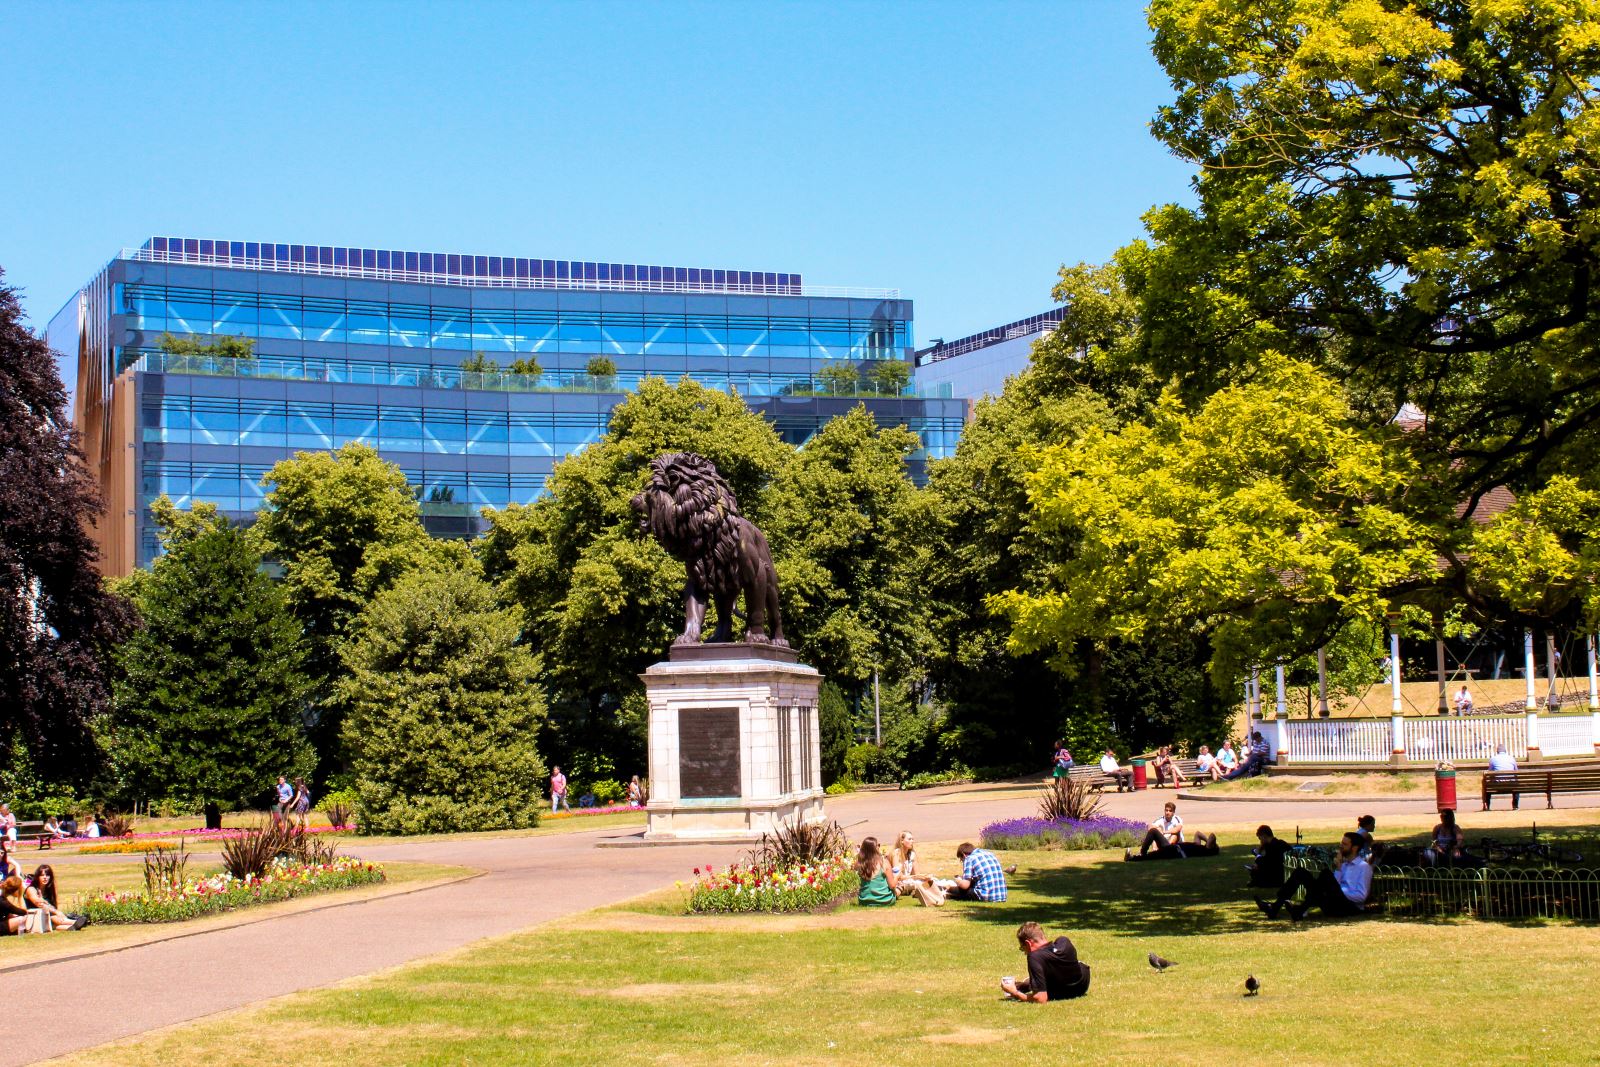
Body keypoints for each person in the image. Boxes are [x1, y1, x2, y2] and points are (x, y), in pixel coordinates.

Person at [1258, 832, 1372, 920]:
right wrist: (1338, 869)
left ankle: (1300, 909)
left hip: (1348, 907)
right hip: (1332, 902)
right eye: (1341, 843)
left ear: (1355, 848)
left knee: (1326, 874)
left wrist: (1339, 892)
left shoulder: (1363, 867)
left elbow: (1361, 896)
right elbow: (1334, 885)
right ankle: (1275, 907)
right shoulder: (1343, 864)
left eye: (1345, 844)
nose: (1341, 846)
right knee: (1301, 872)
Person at [1001, 922, 1091, 1002]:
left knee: (1042, 971)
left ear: (1028, 943)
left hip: (1060, 992)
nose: (1025, 953)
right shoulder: (1064, 942)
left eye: (1023, 948)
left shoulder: (1034, 956)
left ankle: (1027, 984)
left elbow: (1040, 998)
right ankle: (1026, 984)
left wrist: (1015, 993)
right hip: (1081, 987)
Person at [24, 865, 83, 931]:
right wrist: (56, 912)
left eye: (47, 875)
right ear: (37, 877)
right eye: (42, 875)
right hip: (35, 918)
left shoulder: (49, 890)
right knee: (53, 916)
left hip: (48, 918)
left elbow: (53, 906)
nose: (45, 877)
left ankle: (72, 926)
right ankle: (74, 922)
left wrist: (54, 910)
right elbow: (38, 903)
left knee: (56, 920)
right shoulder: (31, 889)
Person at [855, 837, 899, 907]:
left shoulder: (859, 864)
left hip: (864, 901)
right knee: (897, 890)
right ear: (875, 848)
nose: (879, 846)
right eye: (878, 845)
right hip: (885, 900)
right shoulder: (884, 862)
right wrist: (897, 876)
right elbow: (892, 885)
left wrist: (859, 851)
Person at [1245, 824, 1291, 889]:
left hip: (1277, 877)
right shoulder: (1281, 843)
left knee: (1254, 872)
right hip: (1285, 874)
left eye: (1260, 838)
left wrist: (1258, 860)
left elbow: (1268, 863)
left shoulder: (1271, 847)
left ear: (1264, 836)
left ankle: (1256, 881)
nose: (1260, 841)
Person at [1487, 743, 1519, 809]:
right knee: (1516, 785)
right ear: (1505, 751)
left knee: (1487, 785)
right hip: (1511, 784)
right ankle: (1515, 805)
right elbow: (1516, 772)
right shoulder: (1512, 758)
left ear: (1497, 751)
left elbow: (1489, 772)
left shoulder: (1493, 759)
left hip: (1497, 785)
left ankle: (1488, 806)